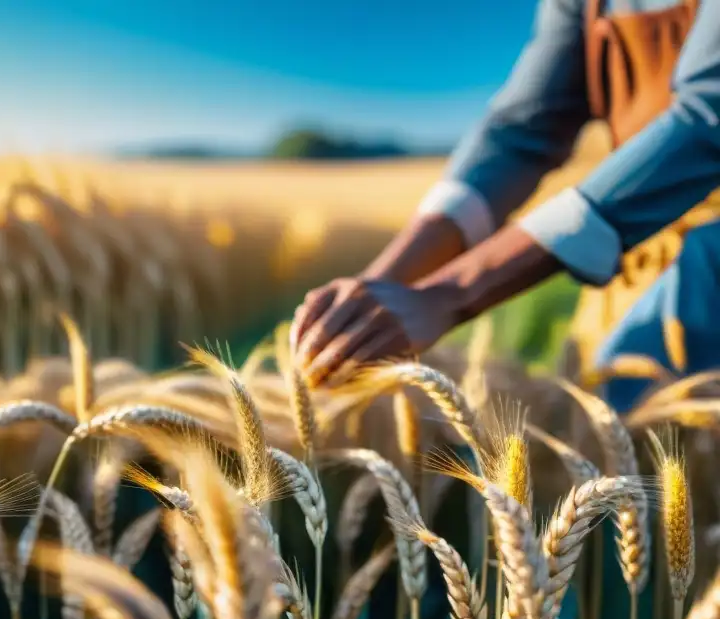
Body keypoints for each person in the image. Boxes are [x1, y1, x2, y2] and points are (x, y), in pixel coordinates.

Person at [290, 0, 720, 412]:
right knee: (588, 428)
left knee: (637, 434)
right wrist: (377, 287)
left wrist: (448, 295)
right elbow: (520, 135)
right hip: (636, 259)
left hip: (707, 265)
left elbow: (705, 122)